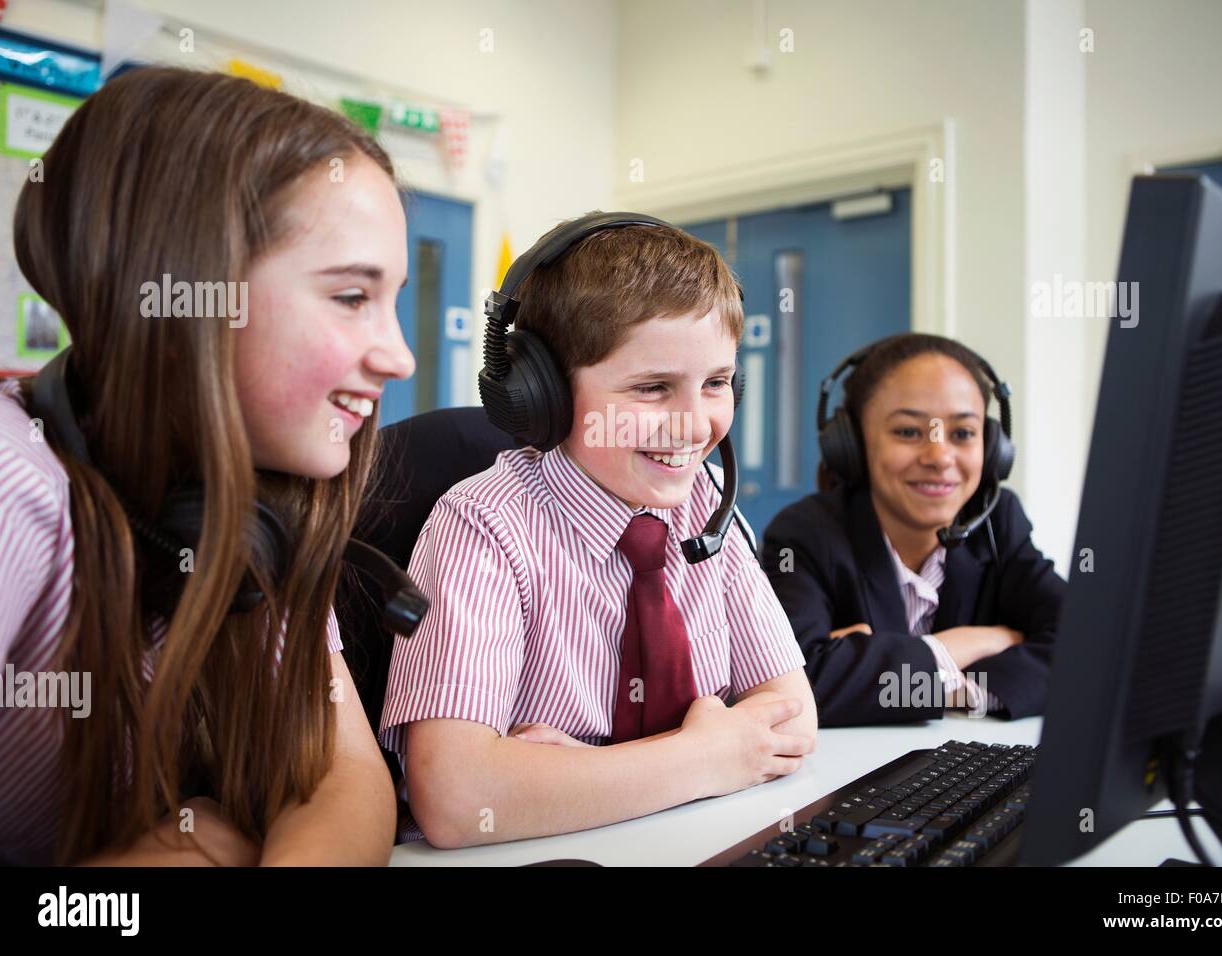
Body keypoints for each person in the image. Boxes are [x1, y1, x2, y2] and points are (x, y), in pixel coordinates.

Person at [0, 67, 415, 865]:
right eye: (352, 298)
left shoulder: (251, 511)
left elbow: (341, 779)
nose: (400, 355)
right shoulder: (7, 485)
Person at [380, 214, 817, 848]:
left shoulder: (704, 509)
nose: (695, 426)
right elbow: (456, 797)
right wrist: (705, 756)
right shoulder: (485, 527)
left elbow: (793, 718)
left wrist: (572, 775)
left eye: (717, 383)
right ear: (542, 395)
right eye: (652, 388)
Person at [763, 333, 1065, 726]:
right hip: (855, 780)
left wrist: (960, 689)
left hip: (959, 770)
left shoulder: (998, 523)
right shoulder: (803, 536)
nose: (939, 457)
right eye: (908, 432)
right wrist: (974, 644)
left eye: (962, 433)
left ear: (992, 449)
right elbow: (796, 686)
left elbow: (1087, 640)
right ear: (852, 445)